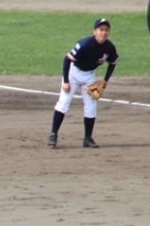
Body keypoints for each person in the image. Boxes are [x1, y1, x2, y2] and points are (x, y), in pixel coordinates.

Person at [47, 18, 119, 149]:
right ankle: (53, 135)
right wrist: (66, 81)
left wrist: (105, 80)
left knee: (91, 106)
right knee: (64, 102)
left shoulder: (109, 47)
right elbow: (67, 59)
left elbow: (113, 63)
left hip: (90, 76)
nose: (103, 32)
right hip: (73, 73)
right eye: (101, 30)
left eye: (106, 30)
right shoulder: (84, 44)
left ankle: (88, 138)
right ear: (95, 32)